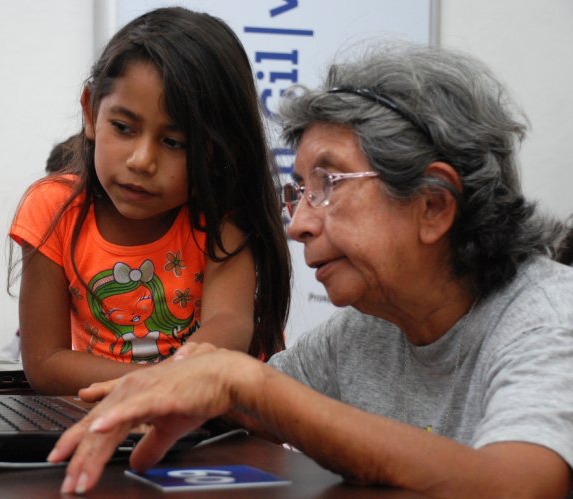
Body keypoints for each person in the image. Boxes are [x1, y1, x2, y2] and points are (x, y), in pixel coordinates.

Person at [47, 41, 573, 496]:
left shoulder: (549, 318)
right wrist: (189, 386)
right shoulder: (365, 331)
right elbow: (250, 403)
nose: (297, 225)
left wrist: (246, 383)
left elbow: (520, 485)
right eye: (298, 190)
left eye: (329, 184)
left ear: (433, 205)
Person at [8, 7, 290, 394]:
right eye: (123, 128)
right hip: (114, 416)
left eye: (174, 142)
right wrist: (151, 385)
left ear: (219, 149)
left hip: (218, 418)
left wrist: (157, 387)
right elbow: (45, 363)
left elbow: (228, 325)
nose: (142, 161)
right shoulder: (52, 210)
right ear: (90, 111)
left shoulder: (222, 217)